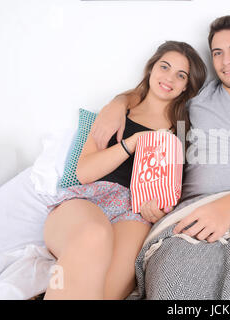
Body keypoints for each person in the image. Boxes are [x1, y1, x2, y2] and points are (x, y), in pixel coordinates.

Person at [91, 15, 230, 246]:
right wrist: (118, 103)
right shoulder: (196, 98)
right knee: (177, 279)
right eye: (217, 52)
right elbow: (156, 95)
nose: (226, 61)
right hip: (193, 213)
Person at [43, 41, 207, 300]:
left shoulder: (183, 130)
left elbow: (174, 187)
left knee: (105, 292)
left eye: (181, 75)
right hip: (89, 199)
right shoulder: (117, 112)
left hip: (134, 212)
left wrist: (157, 207)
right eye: (164, 67)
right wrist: (131, 143)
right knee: (94, 235)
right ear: (151, 68)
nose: (169, 78)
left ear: (186, 85)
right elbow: (85, 173)